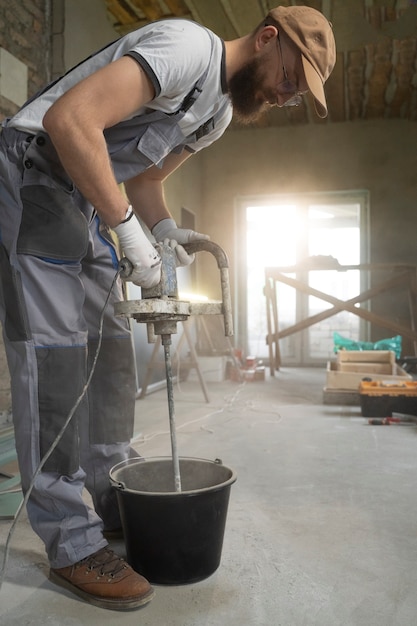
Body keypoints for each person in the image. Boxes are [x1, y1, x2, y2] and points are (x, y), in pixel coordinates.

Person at [0, 4, 336, 612]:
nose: (290, 96)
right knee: (55, 361)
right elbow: (70, 118)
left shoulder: (219, 115)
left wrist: (162, 230)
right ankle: (70, 543)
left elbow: (145, 182)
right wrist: (127, 230)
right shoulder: (187, 48)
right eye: (293, 77)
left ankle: (110, 495)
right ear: (268, 39)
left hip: (88, 193)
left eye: (301, 92)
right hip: (37, 171)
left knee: (111, 359)